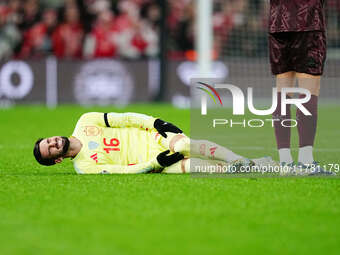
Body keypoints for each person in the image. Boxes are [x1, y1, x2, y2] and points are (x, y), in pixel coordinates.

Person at [33, 112, 276, 174]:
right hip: (159, 163)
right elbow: (125, 171)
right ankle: (257, 164)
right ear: (56, 159)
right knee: (201, 169)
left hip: (159, 138)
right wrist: (155, 163)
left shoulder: (86, 121)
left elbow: (126, 119)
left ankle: (246, 162)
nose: (54, 142)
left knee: (182, 146)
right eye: (50, 148)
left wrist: (159, 124)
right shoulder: (84, 168)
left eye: (49, 139)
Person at [269, 0, 328, 171]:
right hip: (307, 21)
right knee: (308, 91)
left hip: (278, 22)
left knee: (283, 89)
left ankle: (285, 162)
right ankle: (306, 161)